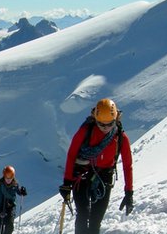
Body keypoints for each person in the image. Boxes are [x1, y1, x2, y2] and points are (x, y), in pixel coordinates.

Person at [59, 98, 134, 234]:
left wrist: (129, 192)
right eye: (101, 124)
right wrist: (66, 183)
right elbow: (71, 155)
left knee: (95, 221)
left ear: (116, 119)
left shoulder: (121, 137)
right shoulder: (85, 131)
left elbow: (127, 165)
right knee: (82, 215)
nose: (105, 128)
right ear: (95, 119)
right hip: (81, 176)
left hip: (103, 178)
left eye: (109, 124)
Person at [0, 165, 27, 234]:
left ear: (13, 176)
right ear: (4, 176)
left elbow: (19, 191)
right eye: (7, 177)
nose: (9, 179)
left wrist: (22, 191)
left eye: (10, 177)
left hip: (10, 208)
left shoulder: (15, 184)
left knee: (9, 227)